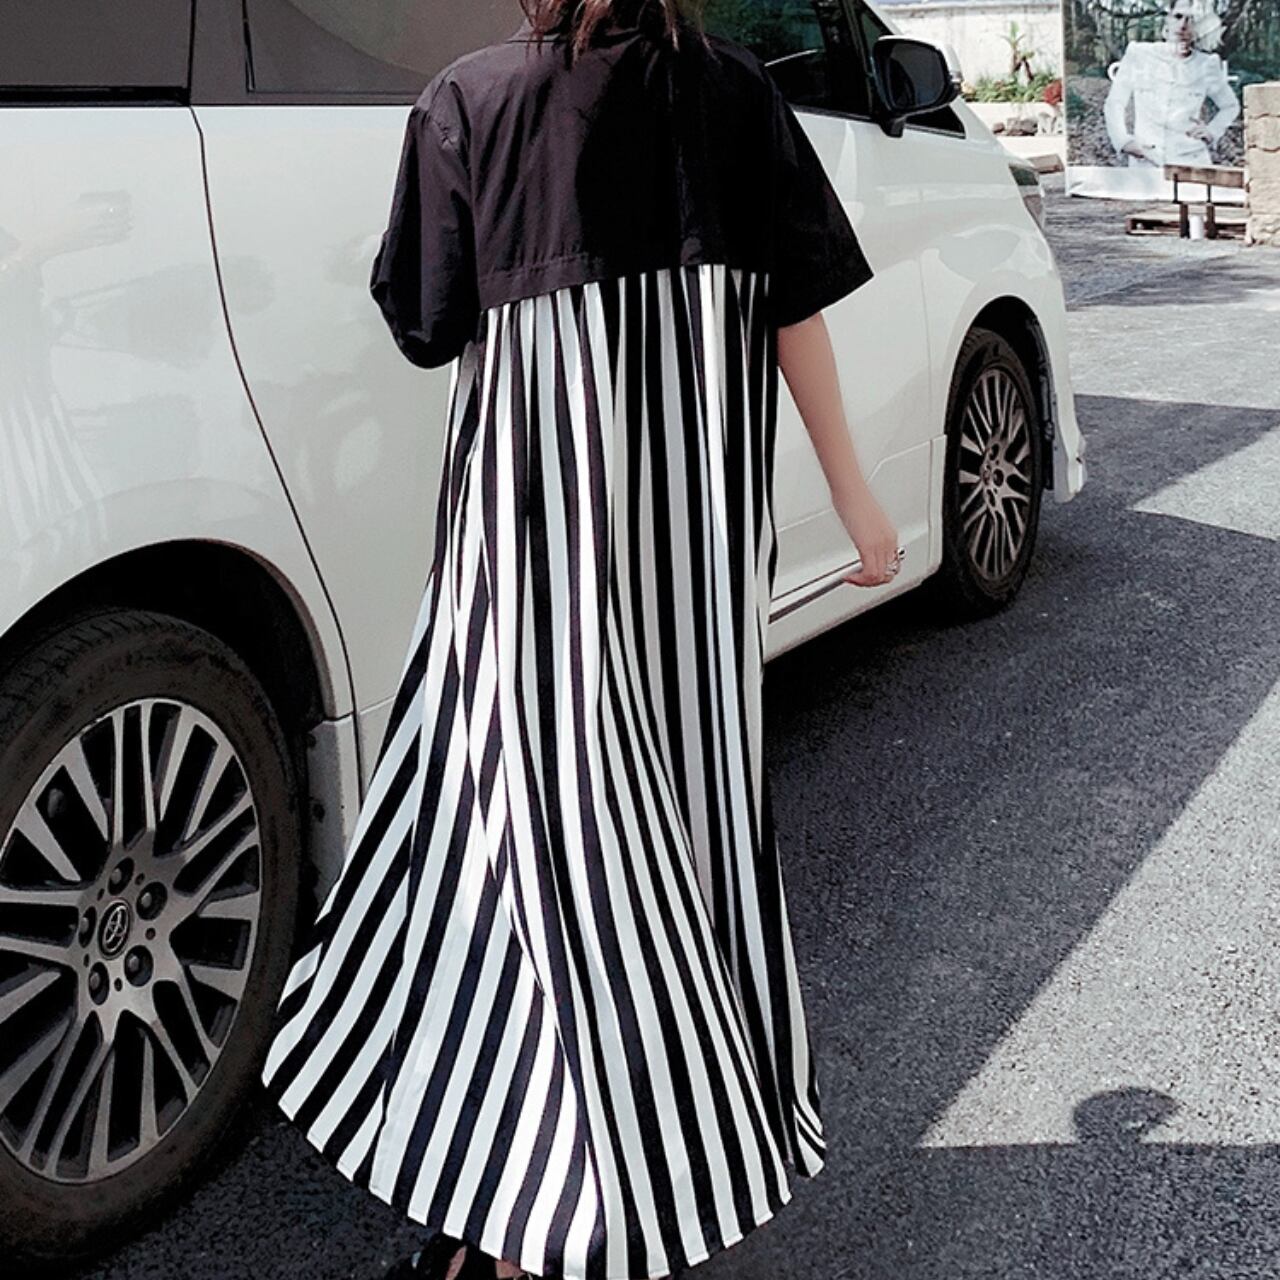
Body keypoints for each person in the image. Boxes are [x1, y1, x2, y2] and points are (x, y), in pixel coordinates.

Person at [259, 2, 899, 1278]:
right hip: (690, 580)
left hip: (527, 567)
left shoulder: (471, 102)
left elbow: (425, 322)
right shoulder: (735, 94)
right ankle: (628, 1173)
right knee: (682, 852)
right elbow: (795, 310)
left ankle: (528, 1216)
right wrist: (857, 498)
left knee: (528, 864)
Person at [1103, 0, 1240, 169]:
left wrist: (1212, 131)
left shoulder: (1206, 64)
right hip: (1146, 160)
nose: (1183, 25)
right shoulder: (1139, 54)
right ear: (1167, 19)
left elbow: (1230, 106)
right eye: (1178, 16)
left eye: (1192, 19)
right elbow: (1115, 102)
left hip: (1192, 160)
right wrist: (1123, 141)